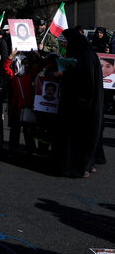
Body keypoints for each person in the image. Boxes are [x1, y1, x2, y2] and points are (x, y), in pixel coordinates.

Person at [52, 29, 105, 178]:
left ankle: (78, 168)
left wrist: (63, 75)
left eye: (65, 42)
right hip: (89, 105)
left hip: (79, 105)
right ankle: (89, 164)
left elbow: (82, 80)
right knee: (88, 135)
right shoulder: (87, 54)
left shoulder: (82, 56)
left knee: (76, 138)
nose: (64, 45)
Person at [2, 49, 41, 156]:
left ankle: (30, 149)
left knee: (28, 130)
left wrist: (36, 53)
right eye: (24, 63)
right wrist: (11, 55)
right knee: (15, 129)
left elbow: (40, 65)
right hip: (16, 107)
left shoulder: (29, 75)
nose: (27, 66)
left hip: (27, 106)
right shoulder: (13, 76)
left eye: (28, 63)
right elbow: (5, 67)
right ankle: (13, 149)